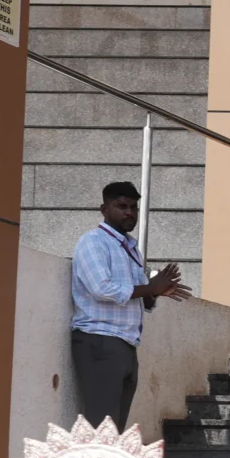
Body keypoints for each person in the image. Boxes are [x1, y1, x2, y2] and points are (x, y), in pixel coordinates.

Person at [69, 180, 190, 430]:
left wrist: (156, 291)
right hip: (99, 340)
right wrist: (150, 287)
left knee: (115, 428)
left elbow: (140, 297)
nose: (129, 213)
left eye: (134, 207)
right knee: (101, 427)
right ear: (104, 209)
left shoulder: (130, 248)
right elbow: (101, 288)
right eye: (122, 206)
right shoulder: (93, 242)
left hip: (126, 344)